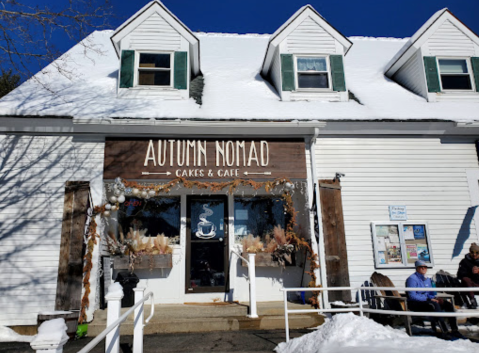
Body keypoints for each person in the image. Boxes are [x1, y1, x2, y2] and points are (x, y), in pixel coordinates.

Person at [406, 260, 465, 339]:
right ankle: (445, 331)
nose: (423, 269)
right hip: (416, 302)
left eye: (425, 267)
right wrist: (428, 299)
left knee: (447, 304)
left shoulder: (427, 279)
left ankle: (455, 330)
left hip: (427, 300)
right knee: (434, 305)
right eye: (421, 267)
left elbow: (429, 293)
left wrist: (434, 298)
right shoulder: (412, 279)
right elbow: (412, 296)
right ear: (417, 268)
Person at [457, 243, 479, 309]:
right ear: (470, 252)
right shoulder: (464, 262)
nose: (474, 254)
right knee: (466, 279)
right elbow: (460, 274)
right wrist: (471, 272)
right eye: (472, 252)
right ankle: (472, 301)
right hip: (470, 284)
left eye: (477, 253)